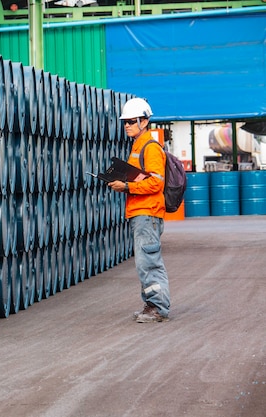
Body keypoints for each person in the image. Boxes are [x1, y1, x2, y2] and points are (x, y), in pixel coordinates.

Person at [108, 98, 170, 323]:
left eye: (132, 121)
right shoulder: (137, 145)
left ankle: (158, 307)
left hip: (148, 212)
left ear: (144, 121)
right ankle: (151, 304)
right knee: (144, 261)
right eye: (125, 122)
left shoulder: (150, 147)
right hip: (140, 212)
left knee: (149, 261)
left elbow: (156, 183)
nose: (127, 125)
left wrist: (126, 186)